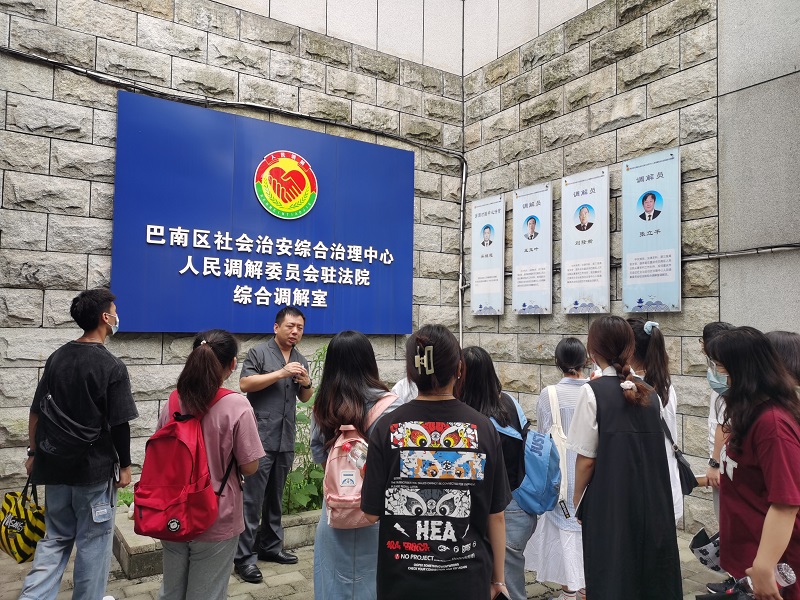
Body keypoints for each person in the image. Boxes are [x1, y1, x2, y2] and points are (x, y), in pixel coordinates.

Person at [361, 324, 511, 600]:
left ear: (411, 372)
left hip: (402, 582)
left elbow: (371, 514)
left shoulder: (387, 428)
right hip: (467, 579)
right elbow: (496, 515)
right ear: (459, 369)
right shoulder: (482, 428)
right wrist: (498, 579)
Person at [19, 289, 138, 600]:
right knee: (93, 544)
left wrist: (34, 453)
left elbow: (36, 412)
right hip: (93, 473)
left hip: (54, 467)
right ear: (105, 317)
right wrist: (126, 467)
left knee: (55, 539)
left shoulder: (57, 357)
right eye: (114, 311)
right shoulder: (112, 366)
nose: (117, 316)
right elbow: (119, 424)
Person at [568, 316, 682, 600]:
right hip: (653, 499)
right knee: (650, 571)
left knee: (613, 567)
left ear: (593, 350)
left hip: (610, 499)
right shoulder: (651, 393)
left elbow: (587, 459)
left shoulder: (592, 392)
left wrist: (578, 498)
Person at [157, 330, 264, 600]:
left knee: (171, 591)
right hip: (216, 513)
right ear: (232, 364)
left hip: (172, 509)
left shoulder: (173, 400)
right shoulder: (237, 405)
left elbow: (160, 453)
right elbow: (250, 466)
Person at [705, 327, 800, 600]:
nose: (718, 377)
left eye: (722, 369)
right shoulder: (749, 413)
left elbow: (785, 503)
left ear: (744, 372)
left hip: (774, 569)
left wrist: (764, 566)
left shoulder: (773, 425)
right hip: (751, 559)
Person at [310, 331, 404, 600]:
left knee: (332, 584)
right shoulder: (392, 407)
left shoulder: (323, 406)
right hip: (378, 513)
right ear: (369, 362)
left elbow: (320, 456)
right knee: (374, 584)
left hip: (335, 510)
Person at [234, 306, 313, 583]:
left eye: (300, 328)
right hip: (259, 437)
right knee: (252, 500)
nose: (295, 332)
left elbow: (305, 398)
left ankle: (271, 547)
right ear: (276, 327)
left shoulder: (301, 359)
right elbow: (245, 384)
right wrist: (281, 373)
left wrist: (307, 382)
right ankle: (244, 558)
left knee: (275, 497)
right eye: (290, 326)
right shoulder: (259, 353)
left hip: (285, 437)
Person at [458, 346, 537, 600]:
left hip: (496, 513)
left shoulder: (473, 424)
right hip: (520, 507)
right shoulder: (511, 403)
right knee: (509, 586)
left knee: (506, 590)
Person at [525, 338, 589, 600]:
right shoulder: (595, 391)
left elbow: (543, 437)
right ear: (586, 360)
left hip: (561, 476)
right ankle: (587, 588)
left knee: (564, 531)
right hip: (591, 475)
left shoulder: (549, 394)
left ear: (557, 362)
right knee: (588, 530)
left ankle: (569, 591)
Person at [627, 318, 682, 523]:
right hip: (667, 481)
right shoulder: (665, 384)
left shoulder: (634, 389)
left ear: (630, 350)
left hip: (647, 488)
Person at [701, 321, 736, 594]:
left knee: (729, 521)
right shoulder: (722, 380)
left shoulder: (728, 385)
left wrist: (714, 464)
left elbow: (724, 427)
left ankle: (737, 581)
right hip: (726, 463)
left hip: (727, 465)